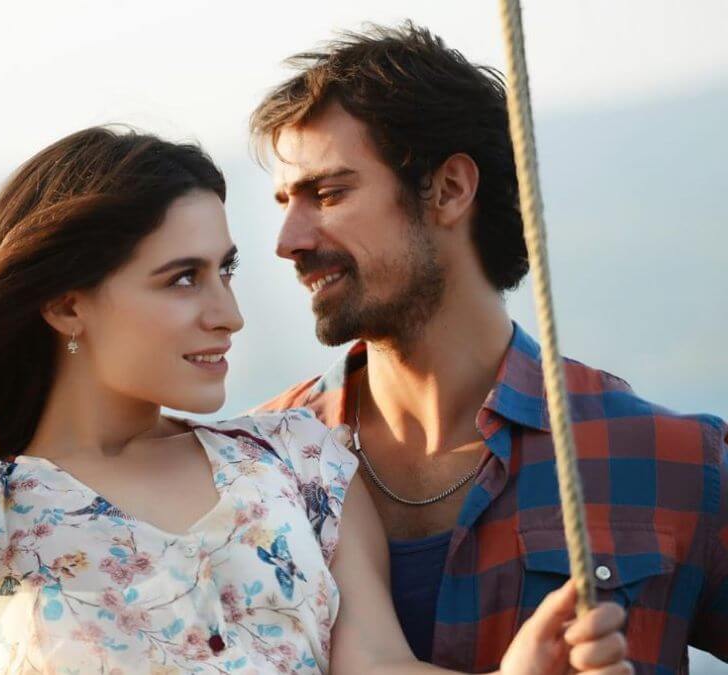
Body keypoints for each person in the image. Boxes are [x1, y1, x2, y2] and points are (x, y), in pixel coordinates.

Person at [0, 8, 630, 674]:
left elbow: (375, 664)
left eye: (225, 270)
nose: (228, 311)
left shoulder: (301, 465)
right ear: (67, 305)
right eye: (182, 277)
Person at [247, 21, 728, 674]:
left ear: (449, 190)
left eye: (328, 193)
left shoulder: (677, 464)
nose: (288, 238)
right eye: (284, 201)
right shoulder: (258, 471)